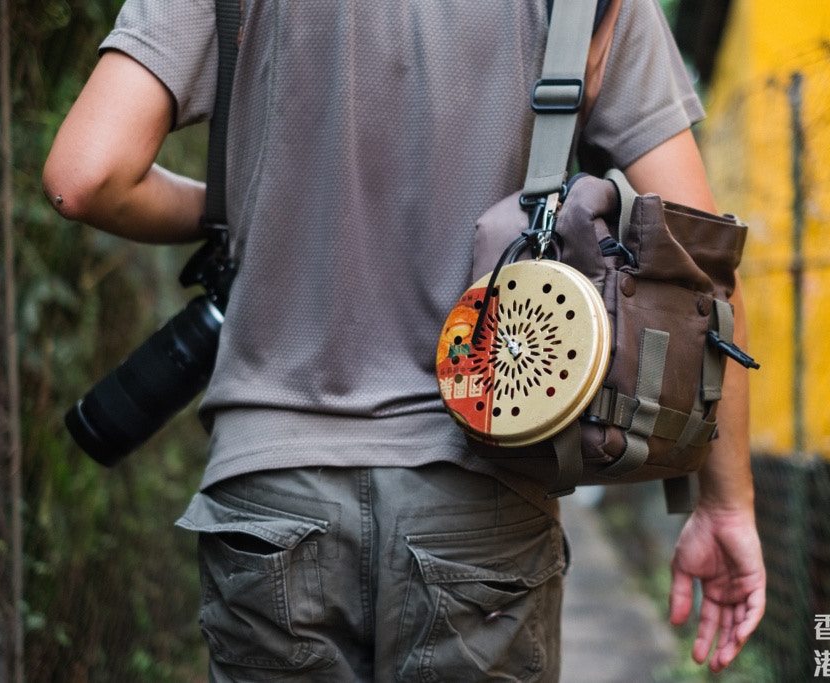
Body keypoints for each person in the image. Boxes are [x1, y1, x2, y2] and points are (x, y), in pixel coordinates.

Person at [43, 0, 765, 680]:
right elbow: (696, 265)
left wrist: (241, 206)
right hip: (480, 495)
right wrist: (725, 504)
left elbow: (87, 175)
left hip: (268, 491)